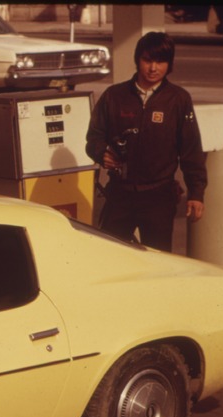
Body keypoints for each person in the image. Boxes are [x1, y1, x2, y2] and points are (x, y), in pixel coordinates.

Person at [85, 32, 206, 252]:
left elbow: (191, 150)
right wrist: (101, 152)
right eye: (147, 60)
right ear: (137, 60)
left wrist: (196, 194)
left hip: (159, 197)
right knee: (108, 256)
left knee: (157, 263)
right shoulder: (114, 96)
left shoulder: (178, 99)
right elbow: (93, 137)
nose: (153, 68)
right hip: (119, 195)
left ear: (169, 64)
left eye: (160, 61)